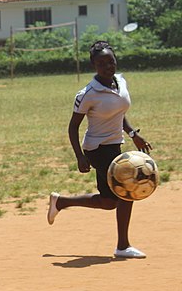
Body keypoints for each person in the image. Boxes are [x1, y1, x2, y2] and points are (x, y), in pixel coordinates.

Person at [47, 40, 153, 258]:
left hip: (116, 144)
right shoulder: (88, 94)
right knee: (126, 190)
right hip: (98, 149)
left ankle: (62, 201)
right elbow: (73, 126)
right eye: (102, 63)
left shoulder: (120, 82)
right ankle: (123, 246)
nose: (108, 66)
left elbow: (119, 112)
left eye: (111, 61)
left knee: (109, 202)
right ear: (94, 65)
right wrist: (80, 157)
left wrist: (133, 134)